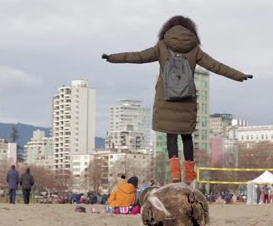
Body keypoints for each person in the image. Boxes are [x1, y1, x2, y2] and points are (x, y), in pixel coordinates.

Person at [102, 15, 252, 183]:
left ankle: (175, 174)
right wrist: (239, 76)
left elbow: (137, 57)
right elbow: (216, 66)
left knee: (171, 136)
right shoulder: (194, 49)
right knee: (187, 136)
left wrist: (112, 57)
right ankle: (189, 174)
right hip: (187, 99)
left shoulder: (162, 47)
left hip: (166, 99)